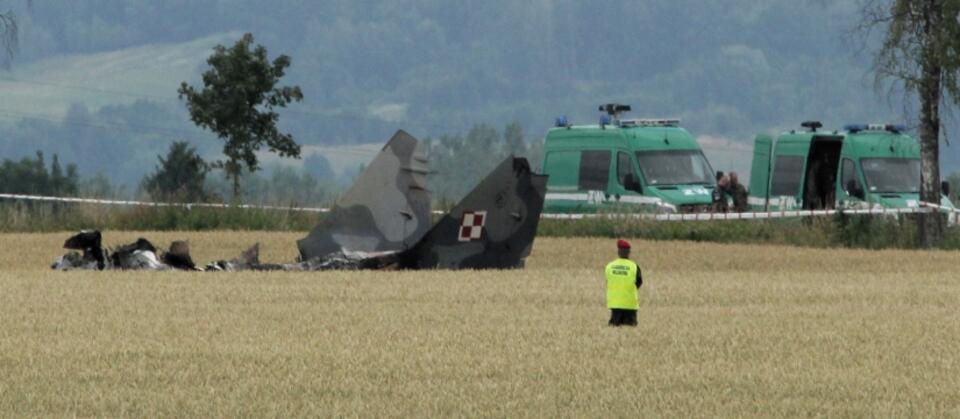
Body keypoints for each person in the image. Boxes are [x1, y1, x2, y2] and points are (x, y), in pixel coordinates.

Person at [605, 239, 642, 326]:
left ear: (618, 251)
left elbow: (608, 281)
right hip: (630, 304)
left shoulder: (609, 266)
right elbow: (639, 282)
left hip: (615, 304)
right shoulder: (634, 266)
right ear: (629, 252)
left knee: (614, 330)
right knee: (631, 332)